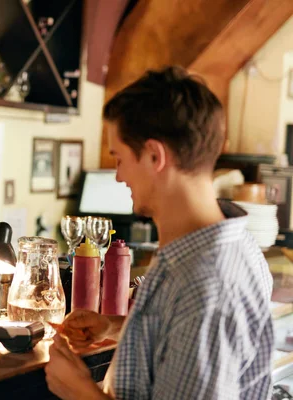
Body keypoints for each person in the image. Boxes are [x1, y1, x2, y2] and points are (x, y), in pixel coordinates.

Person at [45, 66, 274, 399]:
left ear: (155, 155)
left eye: (119, 158)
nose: (119, 176)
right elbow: (182, 335)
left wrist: (80, 391)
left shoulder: (206, 285)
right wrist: (112, 325)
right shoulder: (222, 246)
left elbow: (198, 320)